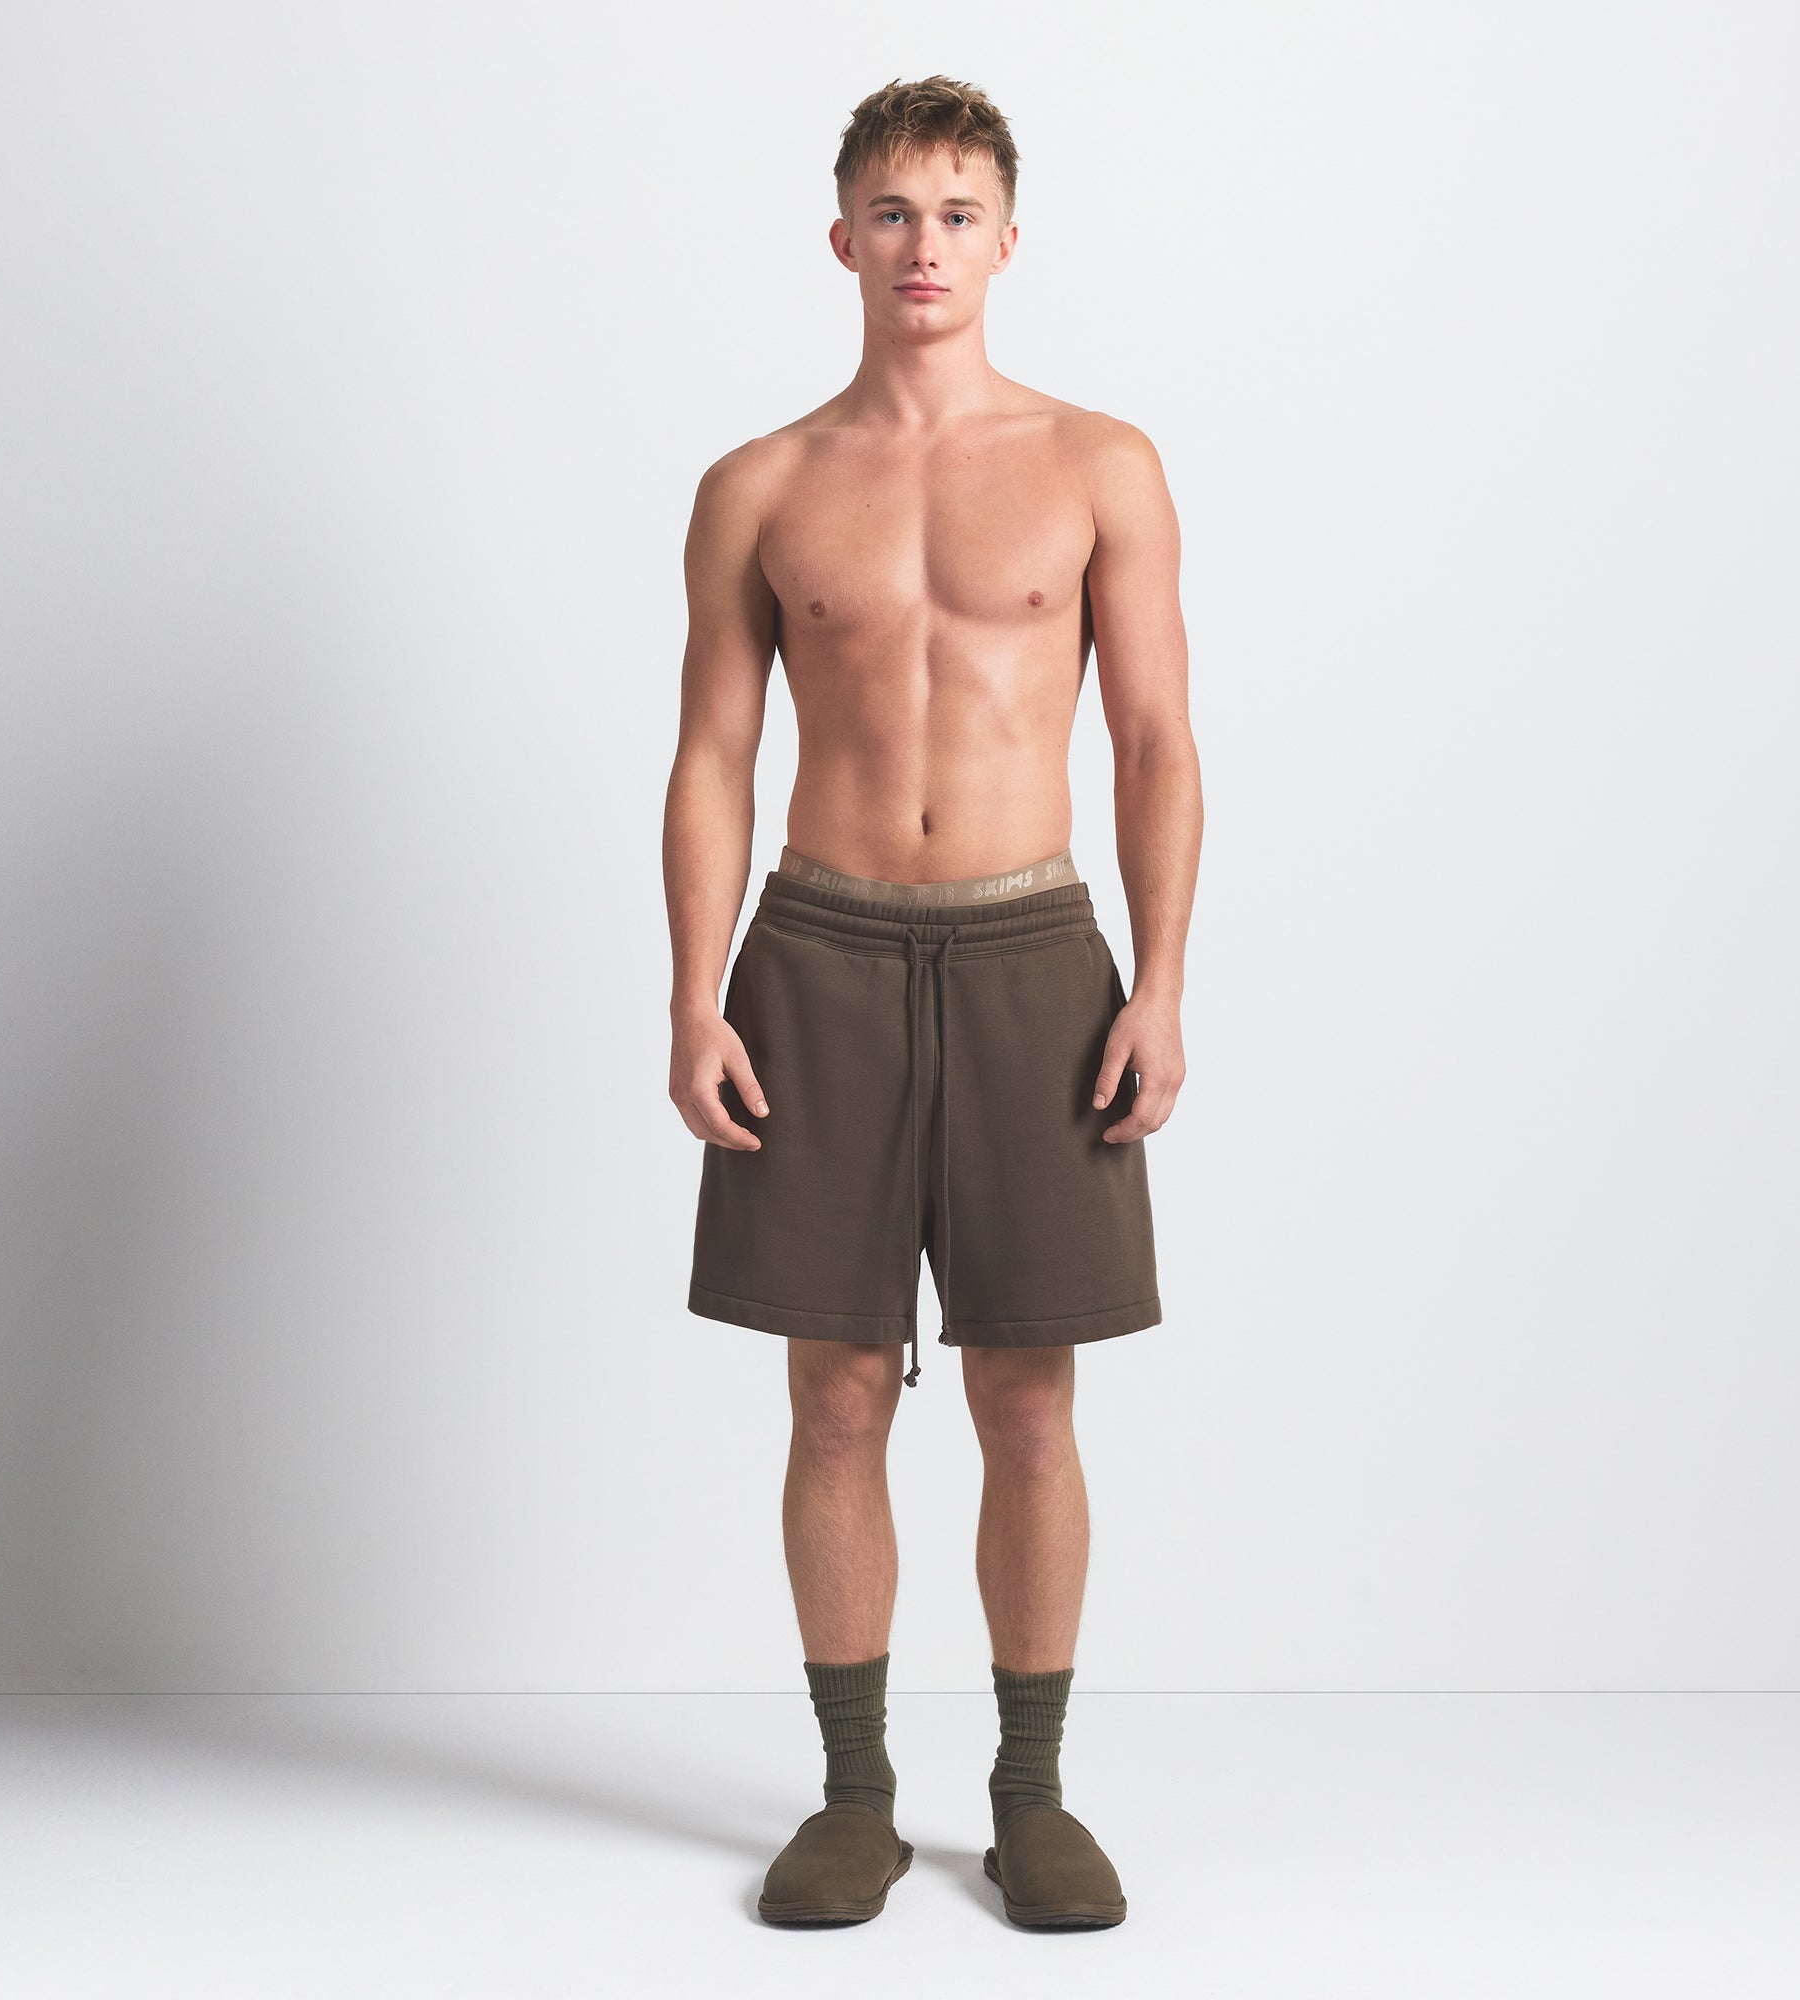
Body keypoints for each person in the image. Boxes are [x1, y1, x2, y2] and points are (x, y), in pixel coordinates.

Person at [663, 74, 1201, 1930]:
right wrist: (693, 999)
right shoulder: (759, 486)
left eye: (958, 214)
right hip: (815, 955)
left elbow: (1156, 741)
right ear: (842, 237)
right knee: (832, 1398)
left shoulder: (1100, 463)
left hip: (1031, 950)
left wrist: (1162, 985)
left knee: (1027, 1398)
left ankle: (1032, 1795)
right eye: (893, 212)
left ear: (1008, 241)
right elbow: (713, 755)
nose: (924, 246)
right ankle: (854, 1796)